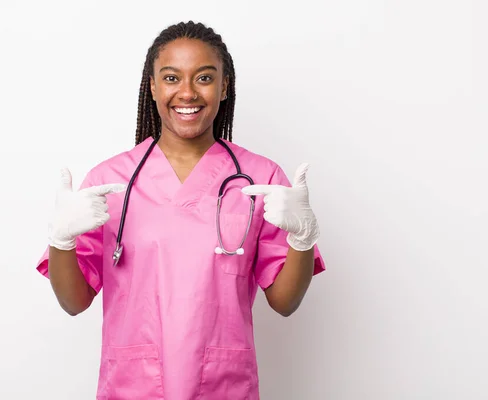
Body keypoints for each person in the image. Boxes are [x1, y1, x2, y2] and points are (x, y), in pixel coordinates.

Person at [36, 20, 325, 400]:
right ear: (153, 86)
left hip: (223, 387)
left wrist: (302, 239)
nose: (187, 92)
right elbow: (74, 302)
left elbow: (285, 303)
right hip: (133, 387)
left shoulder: (259, 179)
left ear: (224, 86)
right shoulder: (110, 180)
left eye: (204, 78)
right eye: (171, 78)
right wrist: (61, 241)